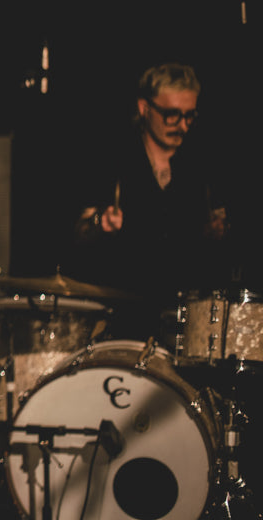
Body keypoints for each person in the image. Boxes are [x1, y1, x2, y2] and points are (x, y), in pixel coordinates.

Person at [70, 62, 232, 341]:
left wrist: (217, 229)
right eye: (172, 115)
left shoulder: (201, 166)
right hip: (122, 320)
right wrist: (100, 223)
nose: (182, 125)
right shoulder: (112, 158)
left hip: (181, 322)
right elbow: (77, 231)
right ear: (145, 108)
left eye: (190, 116)